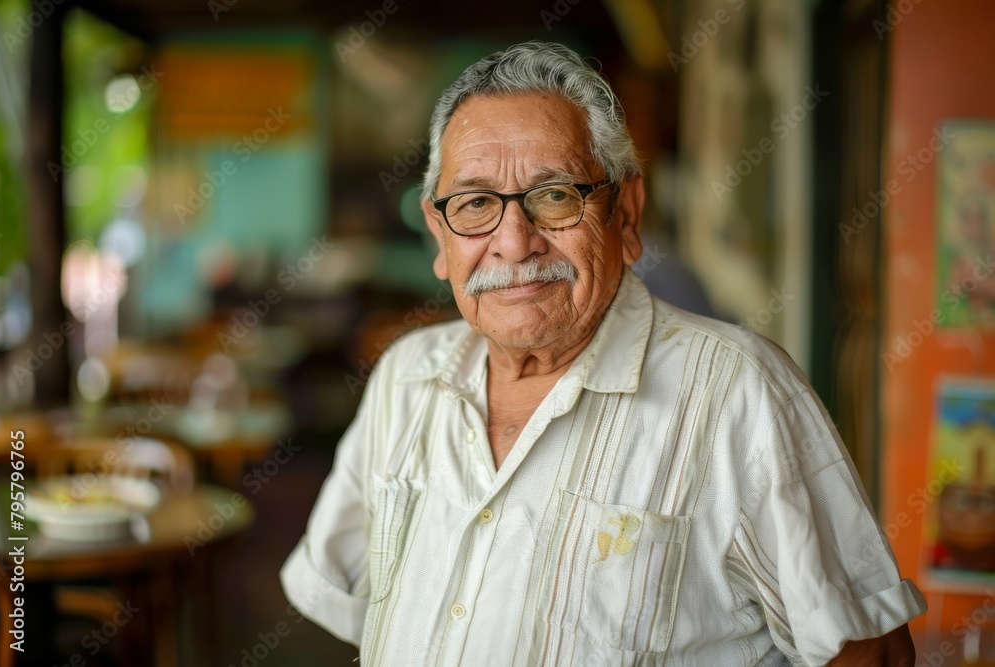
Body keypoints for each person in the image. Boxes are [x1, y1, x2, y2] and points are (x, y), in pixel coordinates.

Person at [281, 41, 926, 665]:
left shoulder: (737, 392)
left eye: (555, 195)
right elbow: (352, 599)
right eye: (475, 203)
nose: (513, 242)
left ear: (626, 213)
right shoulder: (406, 377)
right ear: (439, 234)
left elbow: (870, 654)